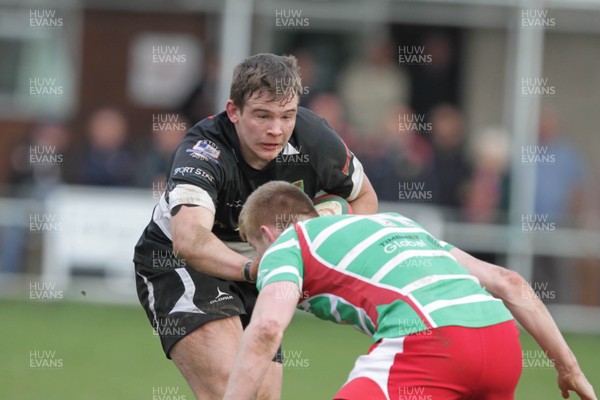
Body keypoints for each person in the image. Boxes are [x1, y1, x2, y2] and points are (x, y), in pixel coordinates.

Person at [133, 53, 378, 399]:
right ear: (234, 111)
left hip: (260, 266)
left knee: (262, 395)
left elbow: (364, 197)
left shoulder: (315, 139)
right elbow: (189, 238)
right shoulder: (204, 150)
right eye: (262, 115)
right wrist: (254, 268)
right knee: (231, 389)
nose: (276, 129)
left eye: (287, 116)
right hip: (184, 264)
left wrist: (328, 234)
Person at [224, 181, 597, 400]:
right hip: (502, 345)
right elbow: (509, 282)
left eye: (256, 250)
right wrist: (568, 367)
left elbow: (268, 329)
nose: (259, 263)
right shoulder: (395, 222)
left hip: (433, 342)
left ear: (266, 234)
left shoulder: (287, 244)